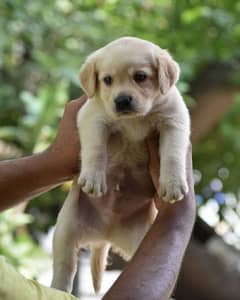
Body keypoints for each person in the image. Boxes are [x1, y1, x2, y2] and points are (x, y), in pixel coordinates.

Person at [0, 95, 196, 300]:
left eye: (140, 77)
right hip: (97, 208)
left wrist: (56, 161)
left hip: (134, 213)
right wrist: (176, 217)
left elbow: (177, 122)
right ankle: (61, 282)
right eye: (109, 80)